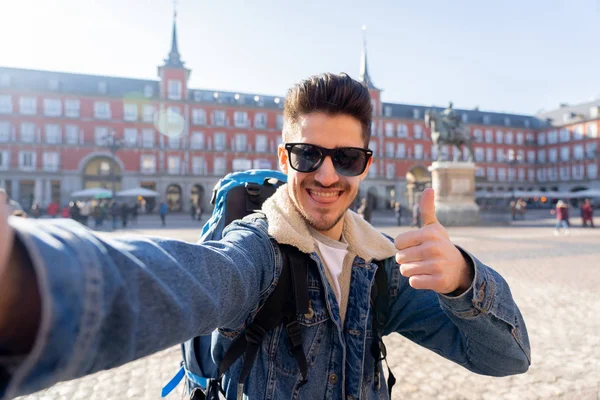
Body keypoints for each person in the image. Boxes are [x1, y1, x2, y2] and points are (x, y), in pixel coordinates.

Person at [0, 73, 530, 400]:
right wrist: (22, 278)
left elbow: (506, 359)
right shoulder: (257, 251)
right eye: (308, 155)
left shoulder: (379, 265)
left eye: (346, 158)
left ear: (366, 164)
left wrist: (464, 281)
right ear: (284, 157)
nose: (326, 175)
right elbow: (185, 281)